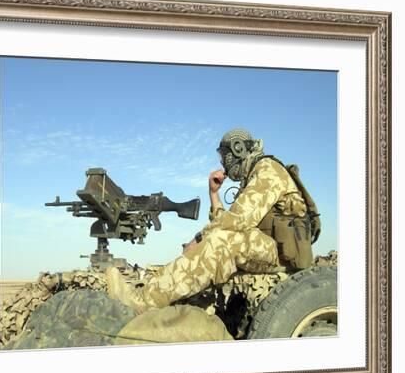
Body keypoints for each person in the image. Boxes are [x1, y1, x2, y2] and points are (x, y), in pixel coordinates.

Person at [106, 128, 317, 314]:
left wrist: (198, 239)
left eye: (224, 156)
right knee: (218, 238)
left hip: (283, 255)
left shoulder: (267, 170)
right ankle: (150, 289)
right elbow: (228, 224)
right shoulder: (253, 176)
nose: (222, 163)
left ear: (237, 150)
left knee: (220, 242)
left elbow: (236, 222)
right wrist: (214, 194)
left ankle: (144, 302)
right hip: (269, 247)